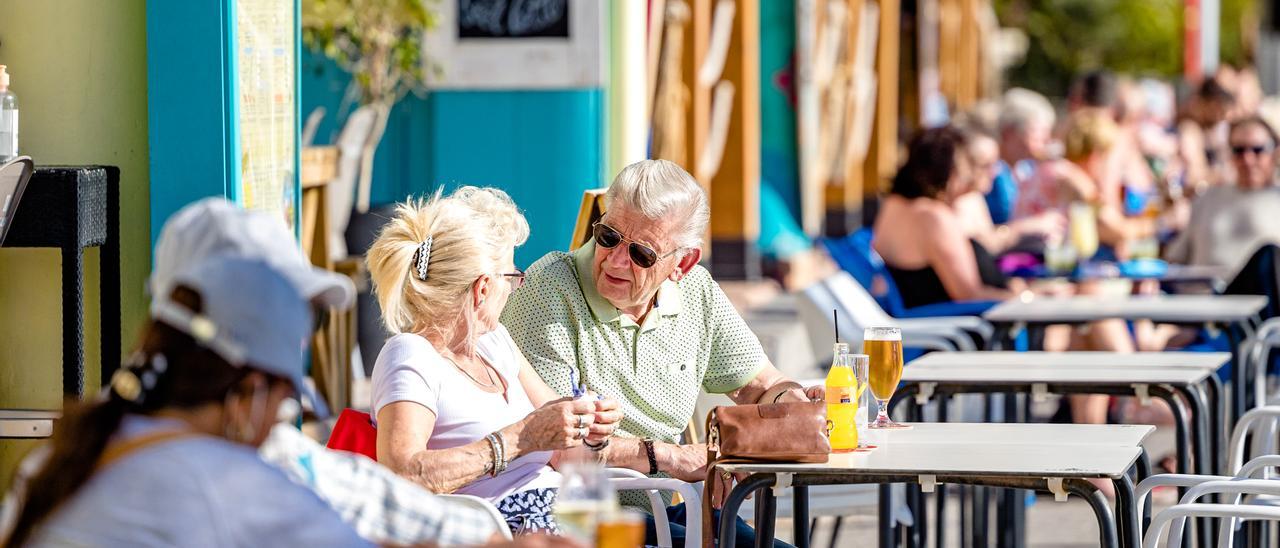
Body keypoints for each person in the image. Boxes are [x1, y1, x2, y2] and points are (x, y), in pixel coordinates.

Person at [1, 198, 523, 547]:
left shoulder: (91, 441)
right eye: (287, 394)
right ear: (246, 390)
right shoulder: (214, 480)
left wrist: (493, 534)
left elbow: (357, 487)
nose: (286, 413)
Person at [501, 159, 818, 548]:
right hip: (576, 521)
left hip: (664, 512)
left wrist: (794, 402)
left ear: (682, 263)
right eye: (608, 237)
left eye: (642, 254)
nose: (617, 260)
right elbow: (554, 443)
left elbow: (760, 384)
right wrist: (670, 457)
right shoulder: (549, 290)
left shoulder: (696, 292)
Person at [3, 256, 373, 547]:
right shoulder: (223, 482)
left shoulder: (72, 449)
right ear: (250, 394)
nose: (279, 421)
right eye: (284, 400)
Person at [365, 187, 626, 536]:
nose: (516, 287)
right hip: (499, 532)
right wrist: (521, 437)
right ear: (483, 288)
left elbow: (567, 458)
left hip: (565, 520)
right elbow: (404, 474)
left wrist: (590, 433)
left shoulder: (496, 342)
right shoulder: (410, 354)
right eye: (513, 277)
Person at [873, 126, 1018, 308]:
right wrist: (1028, 299)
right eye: (967, 164)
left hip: (931, 322)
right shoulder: (934, 217)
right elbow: (970, 295)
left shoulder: (895, 204)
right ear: (948, 170)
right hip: (954, 326)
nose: (969, 175)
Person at [1166, 116, 1280, 274]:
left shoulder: (1276, 199)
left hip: (1261, 293)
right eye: (1239, 151)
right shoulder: (1208, 198)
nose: (1248, 159)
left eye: (1258, 150)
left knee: (1268, 255)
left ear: (1275, 152)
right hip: (1205, 292)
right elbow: (1176, 258)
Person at [987, 88, 1057, 224]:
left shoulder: (1027, 168)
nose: (1047, 139)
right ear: (1009, 132)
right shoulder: (989, 172)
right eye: (1039, 132)